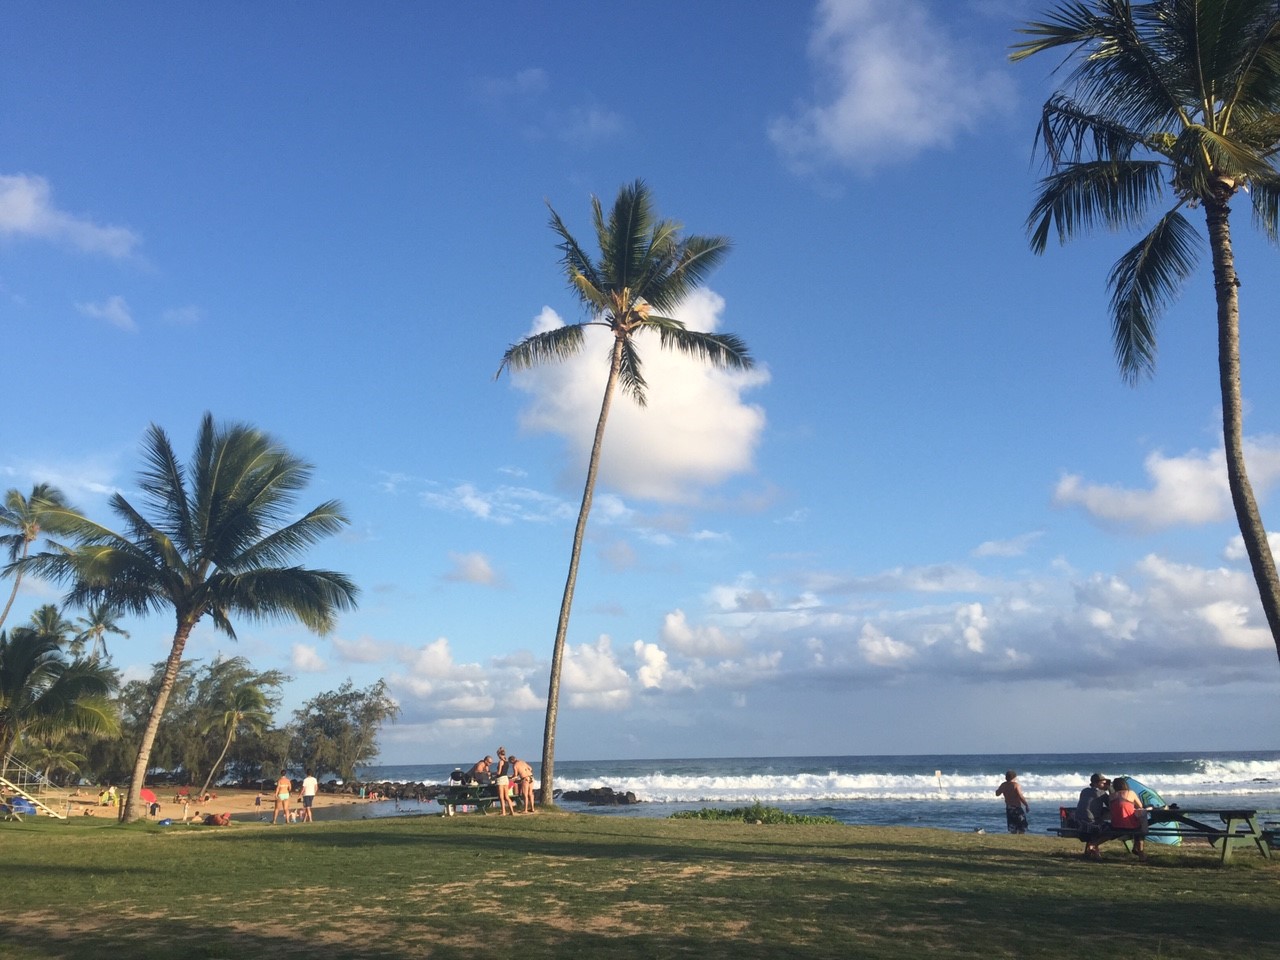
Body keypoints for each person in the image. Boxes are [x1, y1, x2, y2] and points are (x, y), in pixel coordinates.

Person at [1109, 777, 1149, 862]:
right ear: (1125, 784)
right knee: (1140, 829)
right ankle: (1141, 854)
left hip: (1115, 826)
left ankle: (1135, 848)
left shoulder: (1111, 796)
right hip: (1130, 826)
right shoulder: (1130, 793)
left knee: (1136, 826)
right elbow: (1140, 806)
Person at [1075, 773, 1111, 860]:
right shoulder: (1100, 793)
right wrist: (1110, 789)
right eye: (1103, 783)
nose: (1105, 785)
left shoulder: (1084, 791)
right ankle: (1093, 845)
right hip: (1090, 823)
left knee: (1098, 827)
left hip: (1079, 822)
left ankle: (1093, 852)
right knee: (1112, 830)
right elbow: (1111, 805)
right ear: (1096, 783)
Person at [995, 770, 1029, 834]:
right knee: (1021, 826)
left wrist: (1000, 789)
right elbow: (1020, 796)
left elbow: (997, 794)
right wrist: (1026, 805)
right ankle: (1020, 839)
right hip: (1017, 808)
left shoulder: (1003, 785)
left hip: (1009, 808)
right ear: (1014, 777)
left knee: (1012, 826)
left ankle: (1014, 839)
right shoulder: (1016, 785)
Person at [494, 748, 515, 815]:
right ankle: (512, 811)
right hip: (506, 778)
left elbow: (499, 772)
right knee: (507, 796)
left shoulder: (501, 762)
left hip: (500, 779)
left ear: (499, 754)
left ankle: (503, 812)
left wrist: (491, 773)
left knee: (501, 797)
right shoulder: (506, 761)